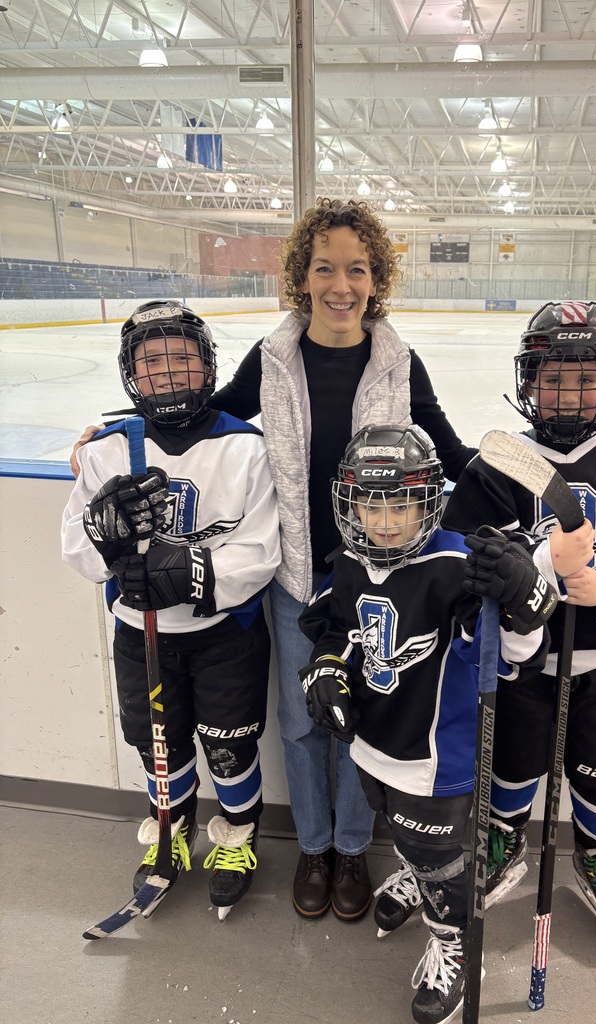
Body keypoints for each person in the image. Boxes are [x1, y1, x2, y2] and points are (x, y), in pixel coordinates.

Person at [71, 199, 477, 920]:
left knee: (359, 719)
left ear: (376, 279)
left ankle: (351, 849)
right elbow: (207, 414)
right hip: (294, 575)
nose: (341, 285)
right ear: (302, 276)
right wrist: (118, 429)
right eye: (325, 268)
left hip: (372, 577)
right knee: (299, 723)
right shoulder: (274, 357)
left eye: (357, 269)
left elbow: (446, 451)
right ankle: (314, 847)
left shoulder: (397, 363)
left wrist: (519, 487)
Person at [443, 300, 596, 954]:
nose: (570, 393)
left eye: (586, 378)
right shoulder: (495, 465)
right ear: (528, 381)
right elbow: (467, 559)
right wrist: (541, 570)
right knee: (512, 766)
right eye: (553, 378)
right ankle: (503, 839)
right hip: (524, 664)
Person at [297, 424, 555, 1024]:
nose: (385, 521)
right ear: (351, 503)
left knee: (434, 854)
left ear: (428, 501)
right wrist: (326, 670)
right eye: (371, 504)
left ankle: (457, 942)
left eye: (401, 504)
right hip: (373, 745)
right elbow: (337, 631)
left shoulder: (459, 563)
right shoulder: (353, 560)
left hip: (435, 759)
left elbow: (507, 658)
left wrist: (523, 608)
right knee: (406, 836)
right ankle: (421, 875)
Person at [62, 301, 281, 919]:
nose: (166, 371)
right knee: (157, 744)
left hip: (225, 633)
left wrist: (189, 573)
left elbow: (261, 549)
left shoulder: (246, 446)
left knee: (230, 746)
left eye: (181, 358)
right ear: (131, 373)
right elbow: (77, 546)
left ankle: (238, 838)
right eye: (150, 361)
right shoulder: (109, 449)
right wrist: (109, 548)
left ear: (207, 367)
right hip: (140, 634)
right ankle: (171, 831)